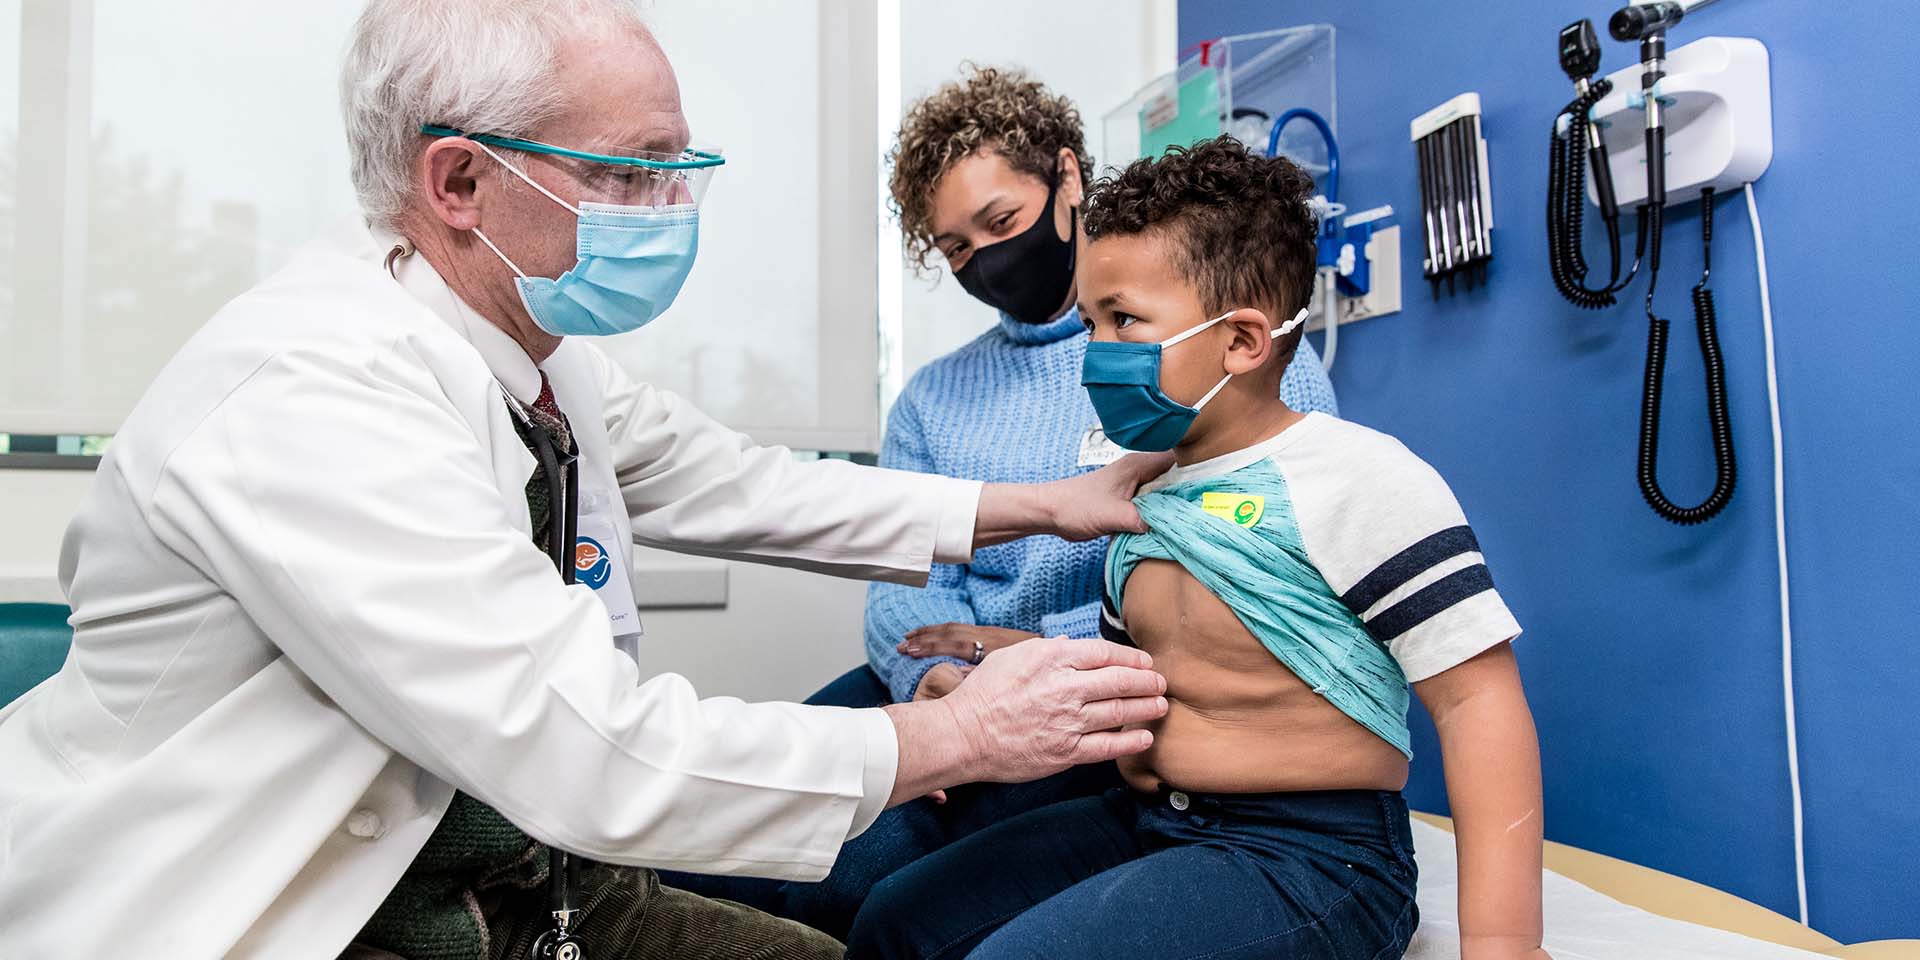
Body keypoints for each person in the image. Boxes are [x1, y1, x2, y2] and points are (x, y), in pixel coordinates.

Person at [0, 4, 1175, 958]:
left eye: (680, 169)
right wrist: (959, 738)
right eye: (630, 173)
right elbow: (588, 751)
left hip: (509, 872)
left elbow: (744, 485)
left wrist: (1042, 505)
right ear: (458, 182)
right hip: (276, 905)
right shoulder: (312, 396)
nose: (671, 211)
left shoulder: (526, 356)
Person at [661, 66, 1337, 939]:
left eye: (1000, 222)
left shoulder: (1214, 363)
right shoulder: (935, 398)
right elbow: (902, 578)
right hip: (937, 676)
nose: (984, 259)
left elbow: (1248, 582)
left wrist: (1028, 654)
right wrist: (928, 677)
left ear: (1067, 178)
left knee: (848, 877)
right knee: (721, 832)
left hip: (1094, 690)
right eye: (954, 248)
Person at [845, 138, 1548, 960]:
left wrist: (1503, 945)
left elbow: (1478, 705)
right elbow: (1159, 679)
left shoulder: (1359, 481)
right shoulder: (1137, 495)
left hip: (1313, 856)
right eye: (1091, 323)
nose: (1094, 355)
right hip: (1149, 818)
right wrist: (1008, 670)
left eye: (1124, 323)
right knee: (895, 919)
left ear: (1243, 341)